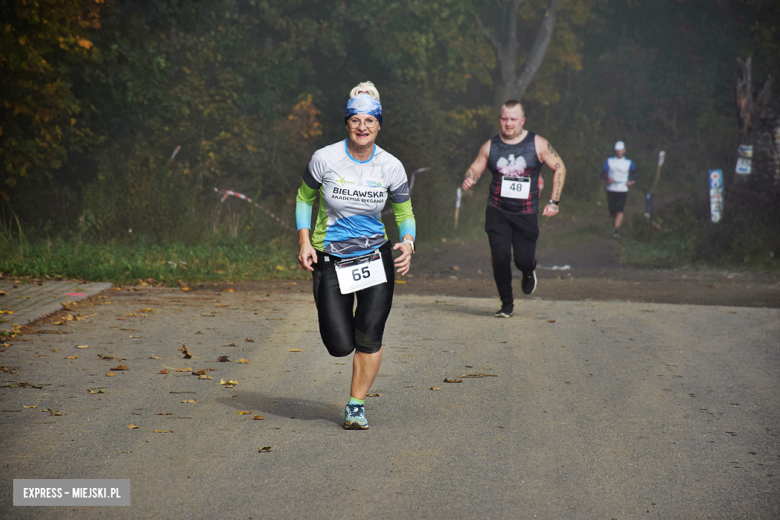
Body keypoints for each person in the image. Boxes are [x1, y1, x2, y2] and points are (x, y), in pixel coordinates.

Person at [295, 81, 416, 430]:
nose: (362, 127)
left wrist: (407, 242)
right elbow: (304, 199)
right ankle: (347, 329)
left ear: (379, 125)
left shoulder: (391, 166)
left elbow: (404, 212)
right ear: (346, 123)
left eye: (369, 121)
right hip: (330, 258)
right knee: (339, 345)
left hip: (375, 258)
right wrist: (305, 242)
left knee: (370, 334)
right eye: (355, 120)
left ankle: (356, 405)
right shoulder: (324, 158)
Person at [461, 100, 566, 318]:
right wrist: (470, 177)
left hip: (525, 213)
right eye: (504, 119)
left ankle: (528, 271)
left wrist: (553, 201)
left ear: (522, 121)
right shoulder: (490, 146)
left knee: (523, 260)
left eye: (513, 119)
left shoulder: (537, 144)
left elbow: (559, 167)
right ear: (500, 119)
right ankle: (506, 304)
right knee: (500, 258)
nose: (508, 124)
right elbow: (476, 166)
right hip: (497, 211)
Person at [601, 140, 639, 238]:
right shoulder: (609, 161)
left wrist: (631, 181)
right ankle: (615, 222)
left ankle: (616, 230)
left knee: (620, 210)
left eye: (620, 150)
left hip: (623, 189)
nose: (619, 152)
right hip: (611, 188)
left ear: (624, 150)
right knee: (612, 210)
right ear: (615, 151)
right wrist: (607, 179)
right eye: (617, 150)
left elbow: (635, 172)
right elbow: (603, 173)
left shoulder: (628, 162)